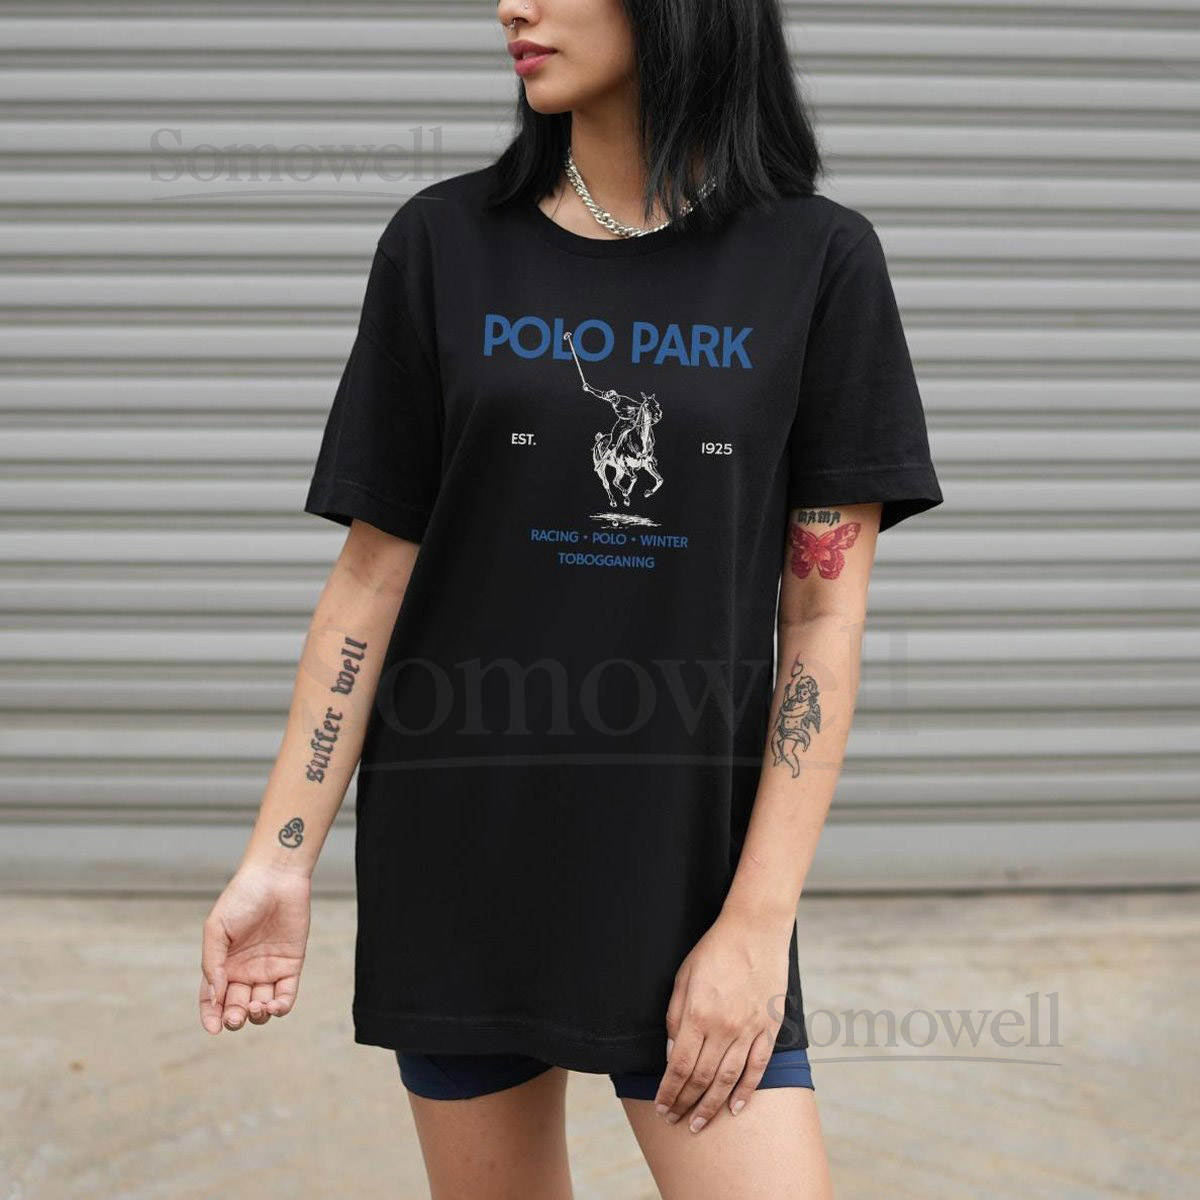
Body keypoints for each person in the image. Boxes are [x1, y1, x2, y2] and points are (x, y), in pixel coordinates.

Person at [197, 1, 944, 1196]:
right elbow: (373, 578)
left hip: (682, 871)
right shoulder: (444, 242)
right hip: (461, 849)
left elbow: (820, 620)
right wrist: (279, 857)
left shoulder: (816, 262)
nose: (513, 5)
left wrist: (757, 925)